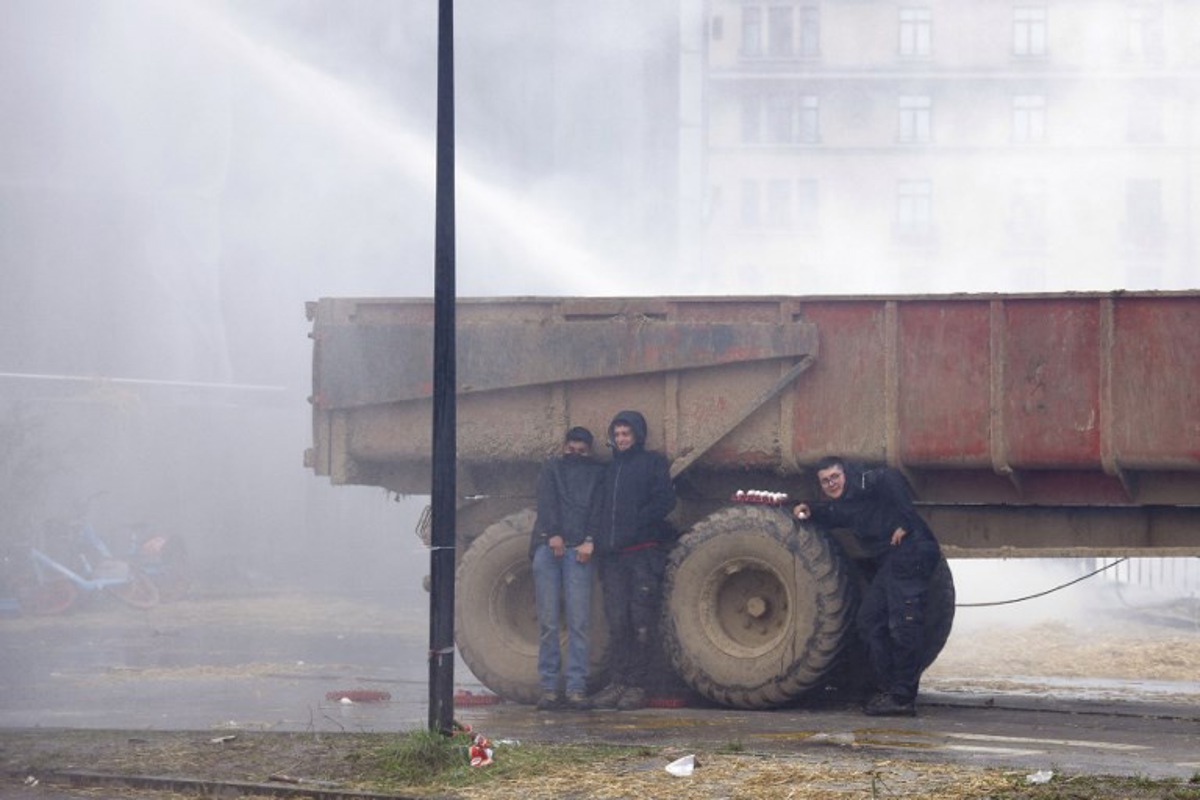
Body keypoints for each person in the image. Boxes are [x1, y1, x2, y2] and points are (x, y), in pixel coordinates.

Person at [792, 455, 942, 717]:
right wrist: (806, 510)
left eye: (835, 477)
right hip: (893, 562)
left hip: (912, 551)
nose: (831, 484)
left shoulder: (866, 482)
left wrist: (906, 521)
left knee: (904, 625)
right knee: (869, 620)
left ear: (845, 474)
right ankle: (886, 688)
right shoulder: (844, 504)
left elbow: (892, 477)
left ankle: (902, 698)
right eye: (825, 481)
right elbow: (829, 514)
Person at [589, 410, 677, 711]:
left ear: (637, 435)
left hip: (642, 553)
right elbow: (600, 509)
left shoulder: (652, 463)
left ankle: (638, 687)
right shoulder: (610, 469)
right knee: (618, 622)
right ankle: (617, 683)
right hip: (613, 558)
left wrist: (635, 525)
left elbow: (666, 501)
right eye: (617, 434)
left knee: (642, 622)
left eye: (626, 434)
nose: (621, 439)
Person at [530, 426, 606, 711]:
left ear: (588, 450)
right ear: (564, 446)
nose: (575, 454)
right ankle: (549, 688)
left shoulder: (598, 474)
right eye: (571, 449)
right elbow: (546, 501)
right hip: (549, 548)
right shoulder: (552, 468)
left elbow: (598, 509)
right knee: (548, 622)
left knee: (579, 623)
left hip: (578, 551)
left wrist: (590, 540)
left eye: (581, 450)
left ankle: (576, 688)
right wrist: (553, 534)